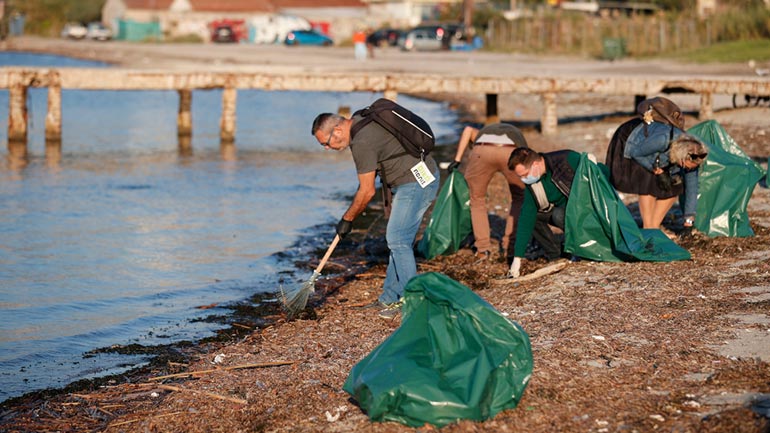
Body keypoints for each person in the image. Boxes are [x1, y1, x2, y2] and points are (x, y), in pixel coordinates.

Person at [311, 110, 439, 320]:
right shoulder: (361, 118)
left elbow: (367, 190)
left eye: (326, 143)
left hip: (416, 182)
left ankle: (413, 301)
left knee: (398, 241)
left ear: (337, 130)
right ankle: (390, 298)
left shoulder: (361, 142)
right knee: (398, 240)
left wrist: (347, 219)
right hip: (414, 177)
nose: (327, 149)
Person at [605, 97, 709, 235]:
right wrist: (654, 168)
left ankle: (653, 227)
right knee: (648, 181)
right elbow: (637, 152)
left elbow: (692, 186)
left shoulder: (694, 154)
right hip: (630, 141)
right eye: (687, 166)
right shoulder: (664, 139)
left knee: (675, 186)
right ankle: (648, 228)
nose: (689, 169)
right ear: (683, 158)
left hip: (656, 154)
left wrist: (688, 220)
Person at [446, 123, 528, 263]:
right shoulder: (515, 132)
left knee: (476, 199)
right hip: (510, 150)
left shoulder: (481, 134)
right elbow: (526, 154)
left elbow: (466, 129)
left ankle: (483, 249)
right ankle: (510, 246)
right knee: (519, 197)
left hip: (482, 150)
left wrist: (457, 160)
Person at [506, 147, 586, 278]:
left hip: (583, 210)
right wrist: (517, 259)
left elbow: (596, 176)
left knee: (559, 215)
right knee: (534, 217)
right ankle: (556, 255)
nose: (524, 180)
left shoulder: (566, 159)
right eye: (520, 177)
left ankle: (580, 247)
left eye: (525, 175)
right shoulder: (532, 184)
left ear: (536, 164)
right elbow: (526, 217)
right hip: (562, 211)